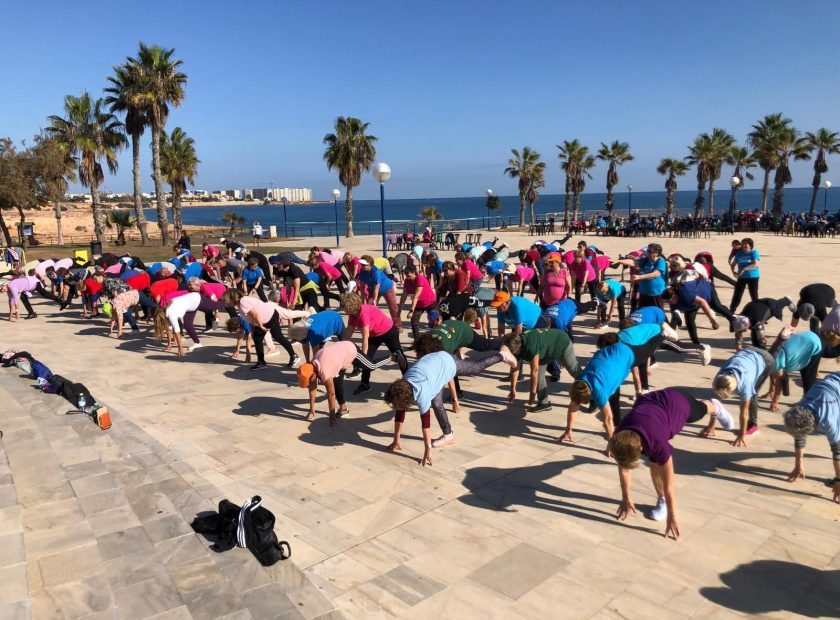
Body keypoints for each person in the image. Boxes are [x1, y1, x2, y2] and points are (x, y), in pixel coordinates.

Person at [609, 388, 734, 538]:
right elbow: (624, 468)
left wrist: (672, 516)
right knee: (654, 460)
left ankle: (716, 407)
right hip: (653, 401)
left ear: (640, 447)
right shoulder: (620, 435)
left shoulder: (657, 443)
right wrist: (625, 498)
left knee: (698, 412)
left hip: (678, 402)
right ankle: (660, 499)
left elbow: (669, 486)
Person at [383, 351, 459, 466]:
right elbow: (399, 412)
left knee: (476, 367)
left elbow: (426, 426)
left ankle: (497, 354)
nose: (393, 406)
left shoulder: (422, 396)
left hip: (448, 363)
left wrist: (428, 450)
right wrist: (396, 440)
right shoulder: (402, 385)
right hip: (432, 359)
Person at [297, 340, 394, 426]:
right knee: (337, 383)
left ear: (313, 373)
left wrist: (332, 416)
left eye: (309, 380)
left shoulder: (325, 370)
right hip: (338, 358)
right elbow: (312, 389)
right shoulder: (311, 365)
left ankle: (392, 357)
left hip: (349, 349)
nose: (309, 383)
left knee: (371, 366)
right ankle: (343, 408)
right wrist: (311, 410)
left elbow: (331, 395)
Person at [560, 341, 636, 443]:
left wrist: (611, 444)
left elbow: (608, 419)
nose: (579, 404)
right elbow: (573, 407)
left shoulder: (599, 392)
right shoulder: (579, 382)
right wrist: (568, 430)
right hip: (611, 350)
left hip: (629, 354)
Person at [782, 372, 840, 503]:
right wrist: (799, 464)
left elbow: (837, 452)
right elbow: (799, 436)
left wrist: (838, 481)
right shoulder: (799, 410)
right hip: (832, 384)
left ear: (813, 427)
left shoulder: (828, 420)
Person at [222, 289, 309, 369]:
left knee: (271, 337)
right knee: (266, 338)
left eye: (226, 301)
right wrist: (253, 332)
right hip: (268, 316)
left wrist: (261, 326)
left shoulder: (243, 302)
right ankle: (291, 356)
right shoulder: (240, 306)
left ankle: (262, 362)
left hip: (269, 317)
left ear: (232, 298)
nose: (226, 303)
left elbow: (256, 315)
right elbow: (251, 320)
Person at [342, 293, 407, 395]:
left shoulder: (363, 313)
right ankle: (365, 384)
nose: (341, 307)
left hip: (388, 331)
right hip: (374, 335)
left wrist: (362, 357)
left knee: (399, 354)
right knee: (368, 359)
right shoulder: (352, 315)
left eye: (343, 305)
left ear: (350, 305)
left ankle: (408, 380)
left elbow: (365, 338)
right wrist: (340, 348)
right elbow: (348, 334)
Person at [503, 328, 582, 412]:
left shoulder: (530, 346)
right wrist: (512, 389)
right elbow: (515, 368)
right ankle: (544, 403)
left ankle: (592, 392)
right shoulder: (517, 344)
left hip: (561, 342)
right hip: (544, 351)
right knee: (539, 377)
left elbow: (534, 371)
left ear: (516, 349)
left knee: (575, 372)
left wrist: (532, 394)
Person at [711, 347, 776, 445]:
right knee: (719, 397)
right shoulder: (720, 378)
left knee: (753, 393)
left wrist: (741, 435)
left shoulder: (745, 385)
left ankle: (753, 425)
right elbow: (716, 404)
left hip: (766, 360)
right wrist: (711, 426)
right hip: (748, 352)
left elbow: (744, 412)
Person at [767, 329, 824, 412]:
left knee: (807, 376)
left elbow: (778, 381)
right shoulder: (770, 355)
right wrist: (770, 391)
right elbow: (772, 373)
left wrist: (775, 402)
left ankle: (809, 402)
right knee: (777, 371)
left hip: (814, 344)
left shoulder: (776, 362)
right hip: (807, 336)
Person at [731, 296, 796, 350]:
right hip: (756, 305)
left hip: (770, 304)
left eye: (745, 329)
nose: (745, 331)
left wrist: (763, 352)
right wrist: (739, 348)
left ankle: (786, 300)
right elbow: (738, 334)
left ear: (747, 324)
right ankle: (756, 348)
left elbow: (762, 339)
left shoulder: (758, 321)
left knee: (778, 305)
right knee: (755, 332)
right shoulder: (739, 319)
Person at [616, 243, 667, 309]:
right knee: (643, 313)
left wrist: (639, 277)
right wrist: (619, 261)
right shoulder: (646, 260)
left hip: (656, 293)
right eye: (647, 250)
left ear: (656, 253)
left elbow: (655, 274)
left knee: (658, 313)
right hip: (644, 293)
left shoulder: (660, 261)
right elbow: (633, 262)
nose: (647, 253)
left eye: (649, 251)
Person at [357, 256, 400, 328]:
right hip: (372, 289)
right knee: (369, 307)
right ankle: (369, 325)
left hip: (387, 288)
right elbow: (362, 286)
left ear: (370, 265)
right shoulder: (362, 271)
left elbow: (377, 287)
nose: (362, 266)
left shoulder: (376, 272)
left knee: (393, 307)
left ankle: (398, 326)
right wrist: (363, 299)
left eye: (364, 265)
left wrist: (374, 299)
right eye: (362, 264)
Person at [399, 264, 438, 338]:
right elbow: (404, 295)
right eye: (405, 274)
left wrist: (411, 311)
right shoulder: (407, 281)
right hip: (419, 304)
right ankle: (417, 342)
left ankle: (437, 338)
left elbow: (416, 297)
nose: (406, 276)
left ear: (414, 272)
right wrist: (400, 308)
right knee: (414, 321)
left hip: (430, 301)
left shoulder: (420, 279)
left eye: (408, 274)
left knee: (434, 318)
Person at [729, 237, 761, 311]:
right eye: (743, 243)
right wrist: (733, 271)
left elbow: (755, 264)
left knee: (754, 296)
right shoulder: (739, 254)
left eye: (746, 243)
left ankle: (758, 313)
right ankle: (731, 311)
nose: (744, 245)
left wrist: (743, 269)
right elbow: (733, 264)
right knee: (737, 295)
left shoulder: (754, 252)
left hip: (753, 277)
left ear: (750, 245)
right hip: (741, 277)